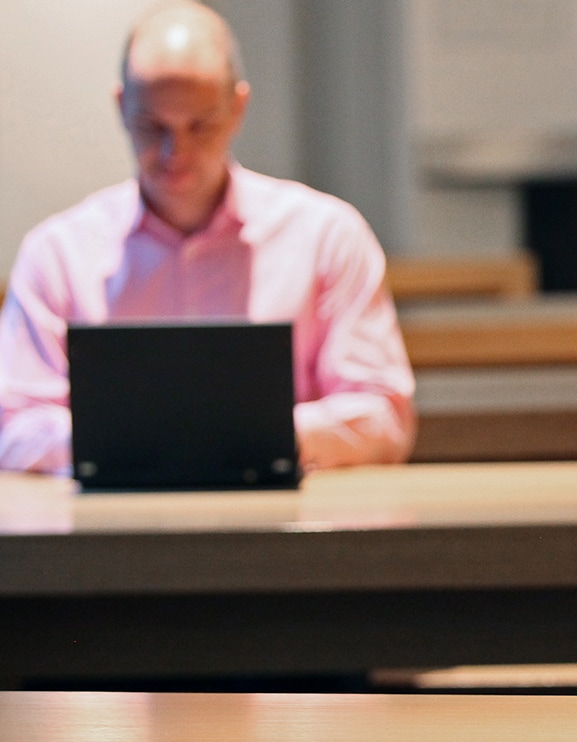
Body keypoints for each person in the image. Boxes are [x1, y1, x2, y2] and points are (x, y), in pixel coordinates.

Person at [0, 1, 415, 475]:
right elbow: (13, 426)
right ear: (121, 107)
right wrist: (203, 435)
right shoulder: (56, 253)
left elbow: (384, 416)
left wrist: (244, 436)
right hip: (111, 535)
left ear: (238, 107)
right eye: (152, 127)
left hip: (283, 530)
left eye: (201, 125)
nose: (176, 152)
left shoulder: (327, 236)